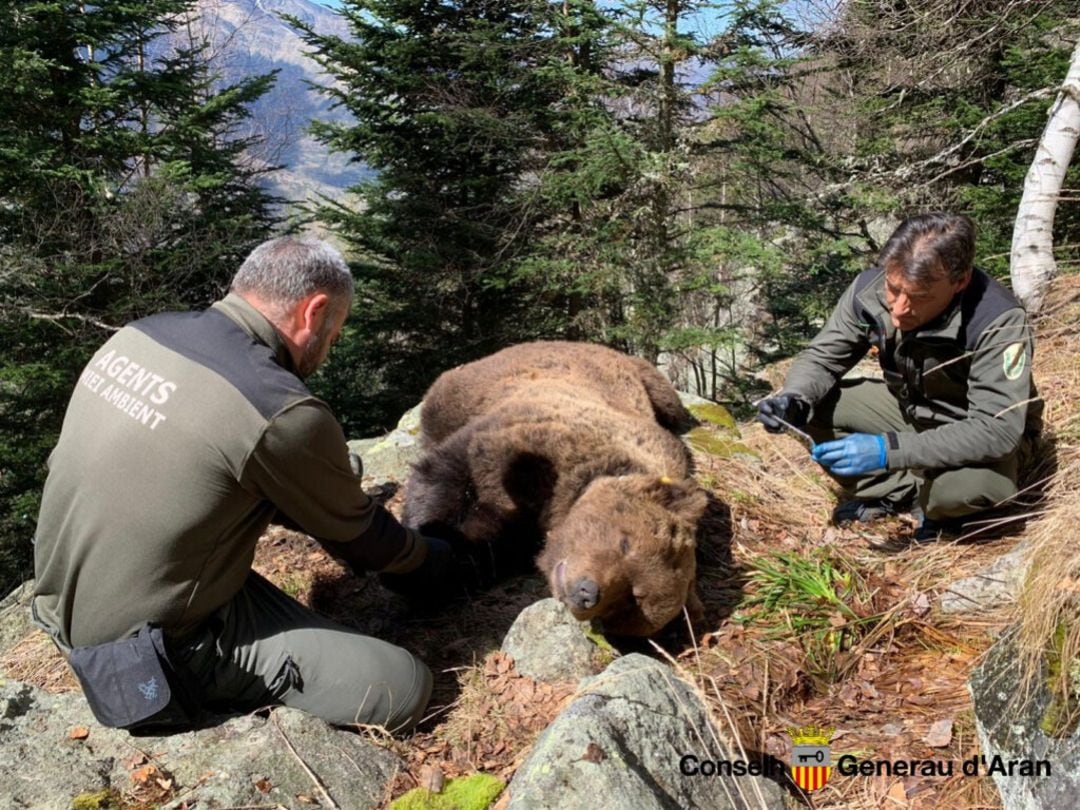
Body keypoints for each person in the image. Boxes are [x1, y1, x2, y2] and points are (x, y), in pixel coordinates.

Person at [32, 235, 450, 732]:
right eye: (335, 333)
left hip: (63, 599)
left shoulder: (140, 334)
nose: (330, 348)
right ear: (314, 312)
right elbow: (364, 542)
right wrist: (440, 560)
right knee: (401, 685)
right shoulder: (276, 407)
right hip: (149, 652)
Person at [757, 213, 1042, 542]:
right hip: (914, 412)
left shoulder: (997, 320)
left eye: (920, 297)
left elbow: (997, 430)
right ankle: (902, 493)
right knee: (814, 407)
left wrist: (887, 450)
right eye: (894, 289)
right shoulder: (868, 291)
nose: (899, 309)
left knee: (965, 491)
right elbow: (822, 357)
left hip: (974, 430)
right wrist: (793, 399)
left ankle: (936, 507)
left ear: (960, 281)